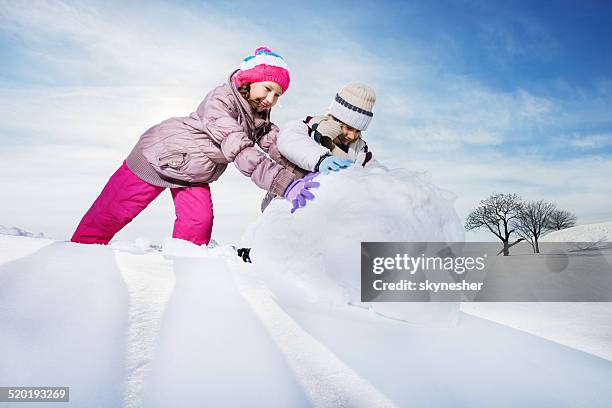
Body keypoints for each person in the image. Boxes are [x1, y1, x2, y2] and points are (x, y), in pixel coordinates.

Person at [71, 46, 316, 246]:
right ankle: (75, 258)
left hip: (194, 172)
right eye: (268, 89)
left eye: (278, 95)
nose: (271, 99)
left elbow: (278, 146)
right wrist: (285, 184)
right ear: (250, 80)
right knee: (112, 213)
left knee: (198, 225)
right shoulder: (220, 102)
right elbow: (239, 148)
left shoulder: (258, 117)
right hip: (157, 156)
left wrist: (308, 170)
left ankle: (188, 277)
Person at [259, 83, 376, 212]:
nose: (353, 135)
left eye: (358, 131)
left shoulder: (359, 148)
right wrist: (320, 158)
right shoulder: (311, 126)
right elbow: (289, 139)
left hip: (324, 203)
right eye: (348, 128)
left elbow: (376, 172)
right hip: (289, 191)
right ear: (335, 118)